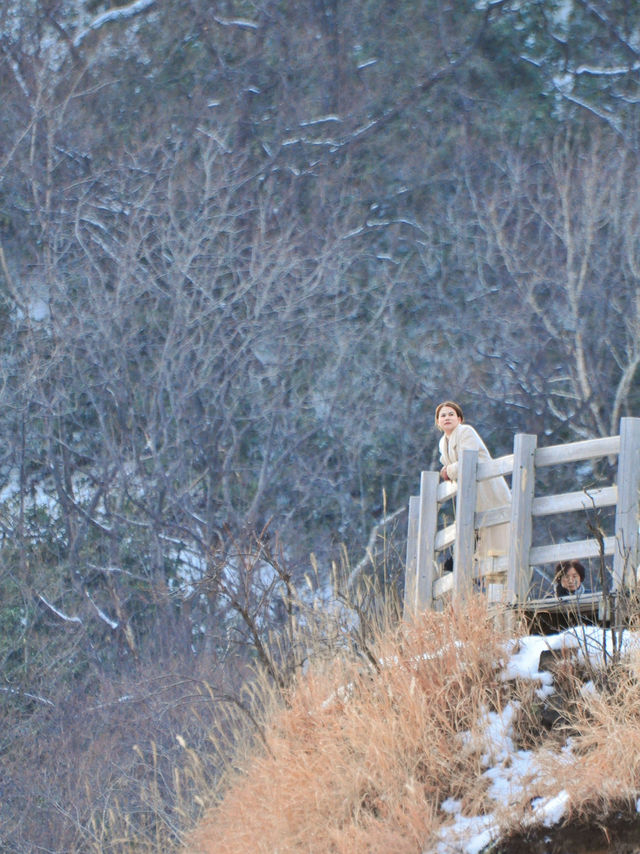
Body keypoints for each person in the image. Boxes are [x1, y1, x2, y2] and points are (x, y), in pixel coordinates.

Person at [435, 400, 511, 565]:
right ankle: (471, 568)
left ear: (459, 419)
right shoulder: (443, 442)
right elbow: (447, 462)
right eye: (443, 415)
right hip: (470, 492)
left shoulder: (465, 432)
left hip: (487, 488)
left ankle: (494, 574)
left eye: (451, 414)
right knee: (476, 529)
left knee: (495, 533)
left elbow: (468, 458)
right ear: (438, 422)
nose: (447, 417)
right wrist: (445, 469)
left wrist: (448, 471)